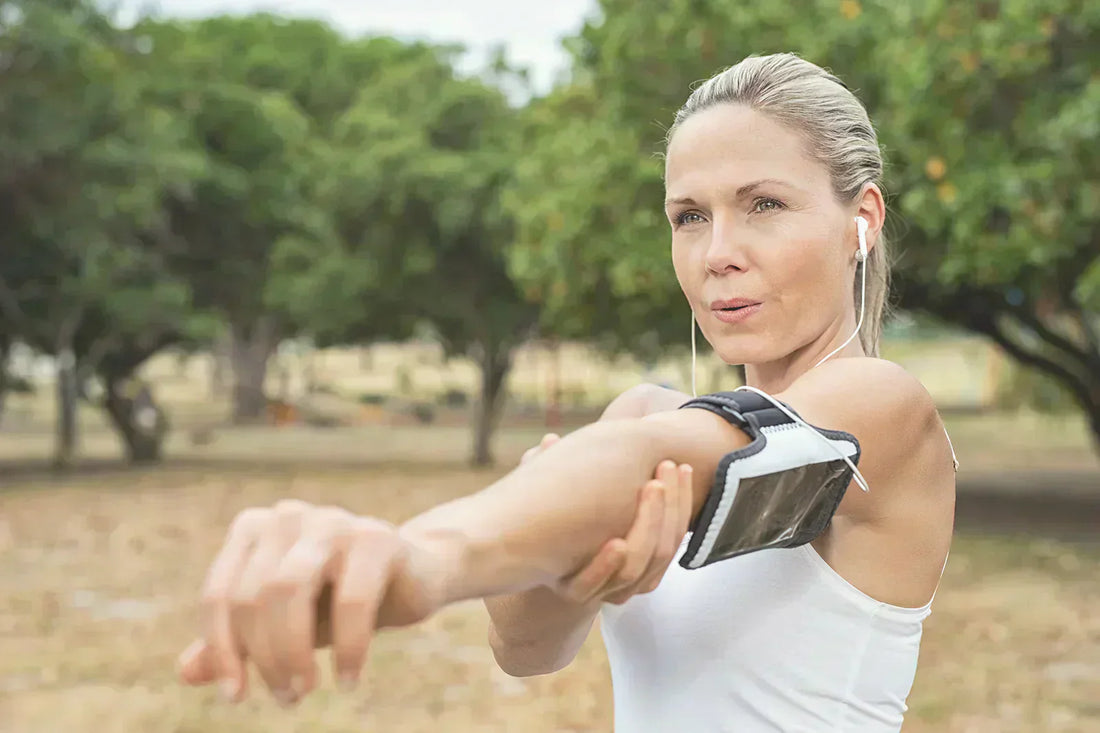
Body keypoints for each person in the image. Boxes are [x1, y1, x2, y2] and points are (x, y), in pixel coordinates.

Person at [176, 53, 957, 732]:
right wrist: (569, 573)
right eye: (689, 216)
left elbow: (678, 451)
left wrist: (420, 558)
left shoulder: (882, 409)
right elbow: (527, 650)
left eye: (765, 204)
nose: (718, 253)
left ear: (862, 218)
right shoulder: (641, 419)